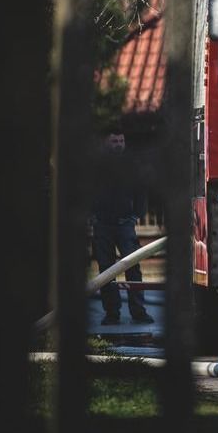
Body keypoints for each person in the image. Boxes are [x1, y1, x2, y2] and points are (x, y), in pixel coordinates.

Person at [91, 130, 153, 326]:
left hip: (125, 223)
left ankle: (138, 311)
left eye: (121, 140)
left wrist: (137, 215)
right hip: (103, 224)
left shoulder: (131, 164)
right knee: (106, 271)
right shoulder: (97, 165)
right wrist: (92, 214)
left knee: (133, 267)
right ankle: (112, 313)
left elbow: (141, 190)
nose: (119, 144)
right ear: (106, 142)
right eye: (114, 141)